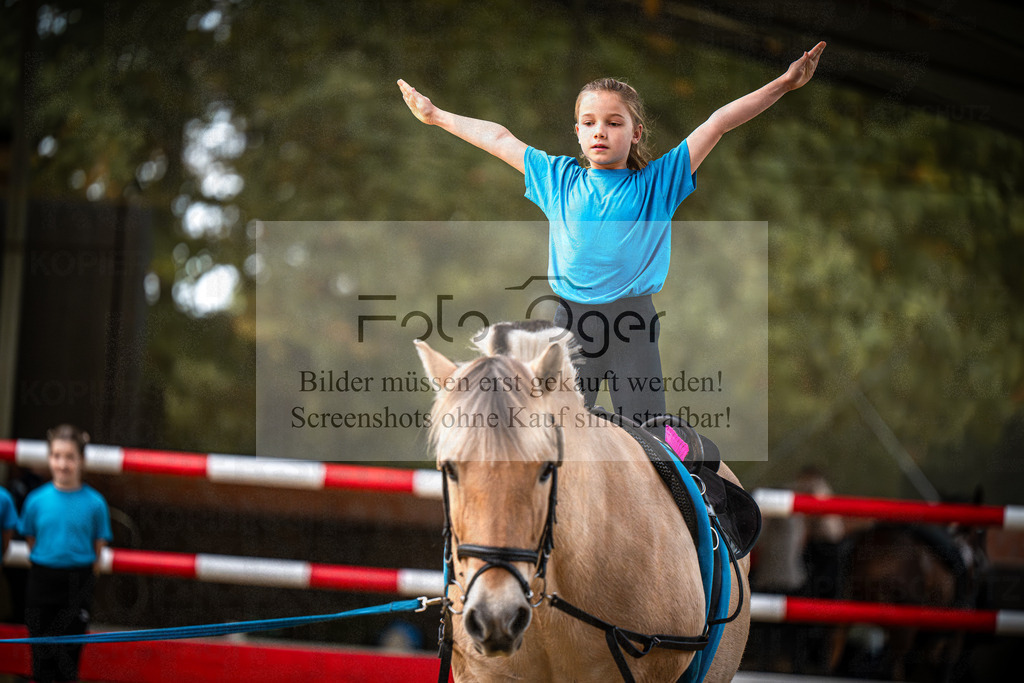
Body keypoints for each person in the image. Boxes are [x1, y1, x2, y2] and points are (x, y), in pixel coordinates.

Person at [398, 41, 825, 423]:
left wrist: (784, 85)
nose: (600, 130)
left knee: (650, 440)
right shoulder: (557, 178)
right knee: (557, 434)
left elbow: (717, 123)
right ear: (578, 133)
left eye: (614, 122)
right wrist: (436, 116)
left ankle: (698, 492)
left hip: (631, 325)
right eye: (589, 122)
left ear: (635, 132)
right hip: (569, 324)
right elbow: (499, 137)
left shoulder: (659, 183)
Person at [17, 424, 112, 683]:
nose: (63, 463)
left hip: (77, 583)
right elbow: (30, 539)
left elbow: (98, 546)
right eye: (57, 456)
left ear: (81, 460)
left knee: (68, 660)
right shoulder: (35, 500)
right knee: (41, 657)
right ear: (49, 459)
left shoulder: (96, 503)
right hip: (41, 582)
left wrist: (80, 575)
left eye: (70, 457)